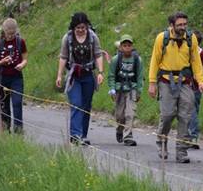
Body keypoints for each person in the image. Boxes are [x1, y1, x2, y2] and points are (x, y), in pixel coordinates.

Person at [148, 12, 203, 163]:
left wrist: (200, 82)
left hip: (185, 82)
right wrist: (152, 83)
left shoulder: (191, 38)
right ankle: (162, 143)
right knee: (168, 115)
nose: (183, 27)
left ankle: (181, 151)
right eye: (179, 25)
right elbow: (155, 60)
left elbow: (196, 61)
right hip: (166, 81)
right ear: (172, 25)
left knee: (185, 116)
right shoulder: (162, 38)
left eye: (184, 24)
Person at [56, 12, 105, 145]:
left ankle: (82, 135)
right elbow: (63, 57)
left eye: (83, 27)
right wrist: (59, 75)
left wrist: (100, 72)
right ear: (73, 27)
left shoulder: (93, 37)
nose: (81, 30)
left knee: (86, 105)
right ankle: (75, 134)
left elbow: (98, 54)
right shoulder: (68, 38)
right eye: (78, 28)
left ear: (87, 26)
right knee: (76, 103)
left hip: (88, 74)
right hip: (74, 76)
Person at [0, 18, 28, 134]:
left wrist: (21, 65)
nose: (10, 36)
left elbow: (25, 59)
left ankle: (18, 129)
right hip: (1, 78)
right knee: (4, 105)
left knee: (17, 102)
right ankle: (5, 130)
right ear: (4, 31)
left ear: (16, 31)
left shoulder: (20, 42)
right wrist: (1, 62)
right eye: (8, 34)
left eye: (13, 34)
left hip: (16, 78)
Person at [107, 34, 143, 146]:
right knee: (120, 115)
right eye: (125, 45)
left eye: (129, 45)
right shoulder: (115, 60)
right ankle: (119, 129)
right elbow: (111, 75)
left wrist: (139, 91)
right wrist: (112, 89)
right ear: (121, 47)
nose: (127, 47)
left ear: (132, 46)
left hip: (132, 89)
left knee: (130, 113)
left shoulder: (137, 60)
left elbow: (140, 77)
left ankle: (128, 136)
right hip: (119, 90)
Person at [187, 30, 203, 149]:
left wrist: (199, 76)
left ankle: (192, 136)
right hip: (193, 86)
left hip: (194, 86)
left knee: (191, 111)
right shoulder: (201, 53)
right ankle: (190, 136)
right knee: (192, 110)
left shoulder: (199, 53)